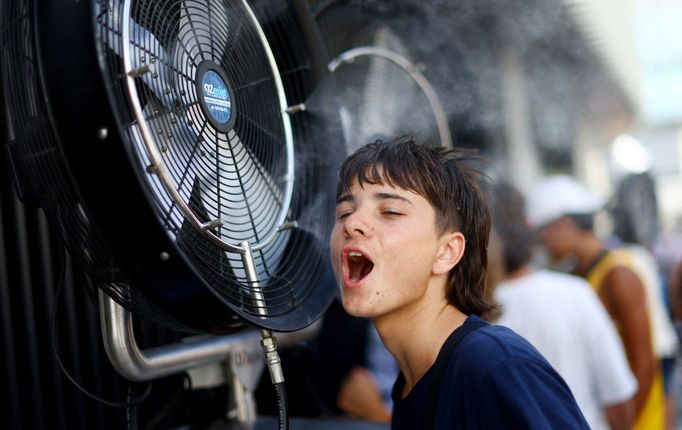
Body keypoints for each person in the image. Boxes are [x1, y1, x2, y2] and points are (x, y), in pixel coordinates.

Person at [329, 136, 589, 429]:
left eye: (390, 211)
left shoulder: (495, 367)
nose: (352, 224)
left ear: (446, 252)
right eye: (344, 212)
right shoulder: (410, 385)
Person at [490, 181, 637, 430]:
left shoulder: (468, 312)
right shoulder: (575, 293)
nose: (544, 239)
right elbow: (619, 396)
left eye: (545, 230)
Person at [527, 174, 666, 430]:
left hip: (637, 417)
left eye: (543, 233)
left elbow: (645, 361)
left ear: (564, 224)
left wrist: (628, 422)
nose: (542, 244)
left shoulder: (618, 274)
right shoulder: (575, 273)